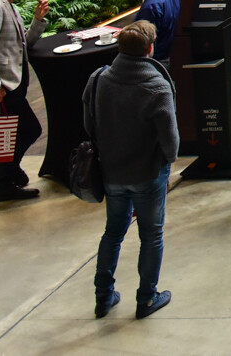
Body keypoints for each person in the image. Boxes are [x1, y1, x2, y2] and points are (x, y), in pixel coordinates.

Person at [84, 20, 177, 320]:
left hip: (112, 172)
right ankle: (146, 298)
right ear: (150, 49)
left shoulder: (100, 79)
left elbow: (89, 123)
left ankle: (103, 296)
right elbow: (171, 141)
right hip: (148, 173)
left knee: (113, 232)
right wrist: (166, 162)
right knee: (151, 235)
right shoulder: (157, 87)